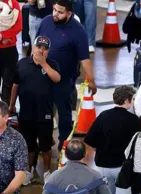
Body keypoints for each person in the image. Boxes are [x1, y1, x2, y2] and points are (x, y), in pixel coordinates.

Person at [36, 0, 97, 150]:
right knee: (43, 113)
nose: (55, 14)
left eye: (60, 12)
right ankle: (45, 141)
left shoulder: (78, 31)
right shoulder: (46, 22)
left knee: (64, 116)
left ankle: (64, 146)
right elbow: (36, 44)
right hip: (43, 77)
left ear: (69, 13)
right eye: (54, 10)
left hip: (64, 80)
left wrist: (91, 79)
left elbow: (84, 58)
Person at [84, 86, 141, 194]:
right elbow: (139, 146)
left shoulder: (103, 116)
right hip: (123, 169)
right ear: (127, 100)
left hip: (102, 166)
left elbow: (90, 140)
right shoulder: (133, 120)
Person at [9, 36, 61, 185]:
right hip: (26, 112)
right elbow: (15, 86)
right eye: (39, 47)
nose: (41, 51)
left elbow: (57, 78)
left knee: (45, 145)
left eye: (45, 49)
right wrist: (11, 105)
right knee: (28, 145)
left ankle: (46, 172)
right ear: (33, 47)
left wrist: (44, 64)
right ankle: (28, 171)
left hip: (44, 113)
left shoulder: (52, 64)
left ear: (48, 51)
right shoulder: (22, 63)